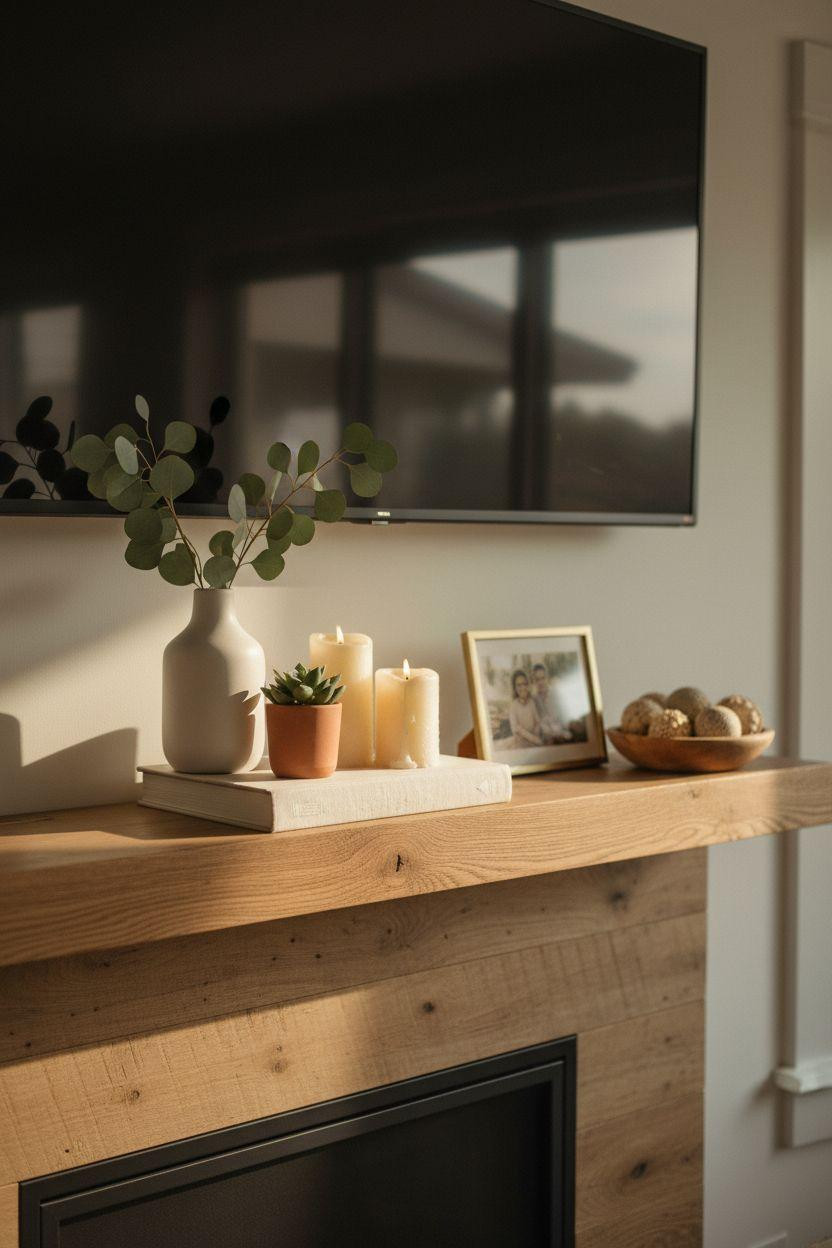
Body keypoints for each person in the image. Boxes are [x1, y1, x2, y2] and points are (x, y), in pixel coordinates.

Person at [531, 663, 573, 744]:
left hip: (562, 735)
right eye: (537, 679)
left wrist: (562, 732)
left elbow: (565, 721)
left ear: (547, 678)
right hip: (546, 738)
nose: (540, 682)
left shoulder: (557, 695)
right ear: (534, 681)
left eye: (543, 678)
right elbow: (538, 724)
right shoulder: (534, 700)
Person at [508, 669, 544, 746]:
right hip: (521, 742)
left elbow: (537, 721)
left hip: (534, 739)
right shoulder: (513, 706)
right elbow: (516, 729)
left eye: (525, 684)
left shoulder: (531, 702)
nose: (523, 688)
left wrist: (536, 731)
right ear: (515, 688)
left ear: (528, 685)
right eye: (519, 685)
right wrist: (533, 738)